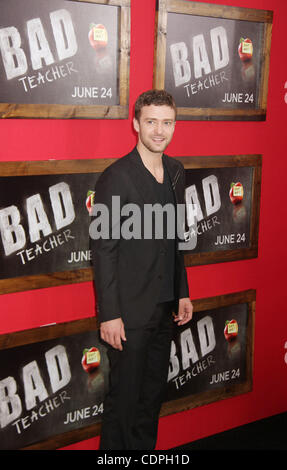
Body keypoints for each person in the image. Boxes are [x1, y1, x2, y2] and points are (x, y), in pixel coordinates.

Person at [90, 89, 193, 450]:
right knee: (124, 405)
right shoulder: (115, 177)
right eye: (151, 122)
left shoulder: (178, 172)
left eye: (166, 123)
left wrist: (183, 291)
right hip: (129, 314)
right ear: (136, 124)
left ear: (174, 126)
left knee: (150, 401)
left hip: (165, 309)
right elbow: (103, 250)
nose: (159, 130)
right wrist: (110, 314)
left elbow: (176, 239)